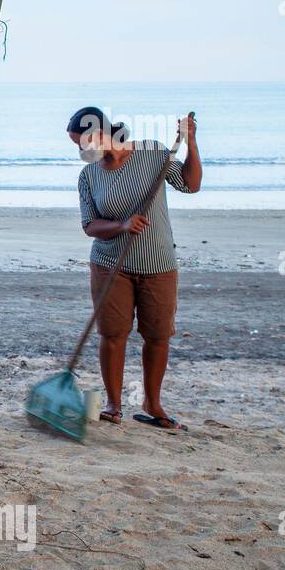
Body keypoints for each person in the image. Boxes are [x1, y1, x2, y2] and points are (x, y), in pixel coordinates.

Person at [70, 106, 202, 430]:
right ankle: (114, 405)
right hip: (109, 265)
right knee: (113, 334)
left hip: (158, 263)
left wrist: (192, 142)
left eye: (82, 142)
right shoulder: (89, 176)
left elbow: (191, 185)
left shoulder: (152, 153)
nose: (79, 151)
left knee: (157, 335)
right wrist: (122, 225)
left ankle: (152, 403)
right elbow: (90, 225)